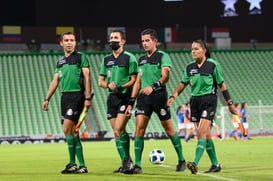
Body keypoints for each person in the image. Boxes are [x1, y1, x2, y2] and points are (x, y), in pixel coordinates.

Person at [167, 39, 236, 174]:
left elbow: (222, 85)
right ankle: (215, 164)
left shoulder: (213, 65)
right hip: (194, 102)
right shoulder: (189, 67)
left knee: (200, 133)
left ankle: (195, 163)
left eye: (196, 49)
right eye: (192, 49)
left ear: (204, 51)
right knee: (206, 135)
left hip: (209, 100)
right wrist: (173, 96)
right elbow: (182, 84)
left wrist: (230, 104)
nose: (193, 51)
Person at [125, 28, 186, 174]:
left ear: (155, 41)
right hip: (143, 99)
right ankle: (138, 166)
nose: (144, 44)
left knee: (169, 129)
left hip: (159, 96)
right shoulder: (141, 60)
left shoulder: (162, 56)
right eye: (143, 41)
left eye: (147, 40)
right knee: (139, 129)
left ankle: (182, 160)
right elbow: (138, 83)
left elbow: (166, 76)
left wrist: (153, 87)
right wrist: (131, 101)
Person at [42, 32, 92, 174]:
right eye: (66, 40)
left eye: (72, 40)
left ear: (75, 43)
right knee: (73, 133)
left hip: (76, 96)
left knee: (67, 130)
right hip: (64, 98)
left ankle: (74, 163)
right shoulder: (60, 61)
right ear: (61, 43)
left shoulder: (81, 57)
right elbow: (55, 81)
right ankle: (79, 165)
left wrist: (88, 98)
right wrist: (47, 98)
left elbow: (87, 78)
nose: (69, 43)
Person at [98, 29, 138, 173]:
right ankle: (125, 161)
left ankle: (127, 160)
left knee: (120, 128)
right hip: (112, 98)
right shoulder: (106, 60)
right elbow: (100, 81)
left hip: (125, 97)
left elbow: (134, 80)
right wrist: (108, 85)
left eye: (116, 38)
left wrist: (121, 86)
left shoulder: (130, 58)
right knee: (116, 132)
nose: (112, 40)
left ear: (123, 41)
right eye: (111, 38)